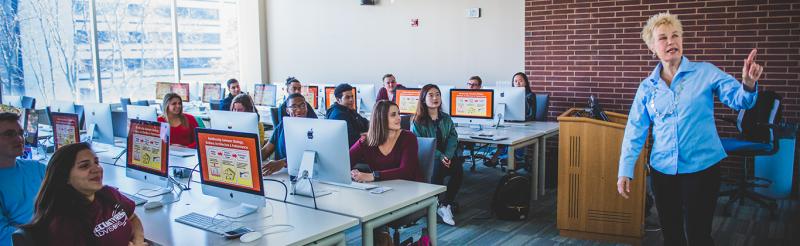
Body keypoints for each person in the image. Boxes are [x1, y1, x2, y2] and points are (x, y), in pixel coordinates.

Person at [617, 12, 762, 246]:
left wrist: (748, 84)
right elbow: (635, 130)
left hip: (702, 169)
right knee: (672, 235)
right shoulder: (647, 88)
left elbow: (741, 100)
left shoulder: (706, 72)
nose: (671, 42)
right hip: (663, 171)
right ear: (653, 47)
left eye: (675, 36)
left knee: (699, 236)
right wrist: (625, 169)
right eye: (663, 38)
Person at [22, 143, 146, 246]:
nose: (97, 169)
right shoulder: (64, 223)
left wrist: (138, 241)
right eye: (85, 166)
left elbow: (133, 218)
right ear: (65, 177)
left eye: (96, 162)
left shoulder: (107, 193)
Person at [410, 84, 462, 226]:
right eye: (431, 95)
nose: (435, 98)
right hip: (428, 158)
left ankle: (446, 204)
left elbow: (453, 137)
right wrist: (441, 156)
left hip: (445, 156)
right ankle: (436, 204)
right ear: (423, 99)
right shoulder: (417, 122)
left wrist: (448, 155)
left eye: (438, 94)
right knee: (438, 167)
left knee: (458, 168)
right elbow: (421, 144)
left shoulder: (445, 118)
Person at [0, 112, 46, 245]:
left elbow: (65, 201)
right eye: (9, 134)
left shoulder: (37, 168)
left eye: (20, 133)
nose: (19, 139)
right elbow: (5, 236)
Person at [350, 100, 422, 183]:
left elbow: (406, 172)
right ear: (381, 118)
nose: (399, 118)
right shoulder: (366, 141)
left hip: (411, 187)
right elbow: (345, 163)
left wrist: (373, 176)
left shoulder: (408, 137)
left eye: (398, 114)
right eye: (393, 115)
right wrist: (353, 174)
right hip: (384, 188)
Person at [485, 72, 538, 166]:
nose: (517, 83)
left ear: (526, 82)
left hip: (524, 125)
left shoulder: (530, 96)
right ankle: (501, 155)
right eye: (515, 81)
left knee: (513, 134)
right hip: (510, 124)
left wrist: (519, 118)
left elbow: (531, 115)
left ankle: (512, 156)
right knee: (501, 133)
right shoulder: (509, 96)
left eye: (520, 80)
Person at [261, 93, 315, 176]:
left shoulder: (313, 128)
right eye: (293, 107)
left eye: (302, 105)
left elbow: (313, 156)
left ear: (307, 108)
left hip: (302, 174)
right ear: (287, 111)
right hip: (280, 174)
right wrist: (249, 158)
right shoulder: (283, 125)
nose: (299, 110)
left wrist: (284, 162)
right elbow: (266, 150)